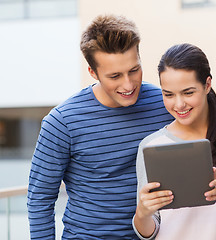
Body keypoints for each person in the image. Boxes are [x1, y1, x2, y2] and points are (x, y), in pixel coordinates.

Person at [27, 15, 173, 239]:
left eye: (134, 70)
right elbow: (40, 199)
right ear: (93, 73)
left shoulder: (164, 103)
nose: (128, 84)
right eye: (114, 76)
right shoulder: (61, 122)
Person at [132, 43, 216, 240]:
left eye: (188, 92)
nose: (178, 104)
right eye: (168, 94)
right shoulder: (151, 146)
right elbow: (148, 233)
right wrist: (142, 213)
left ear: (207, 85)